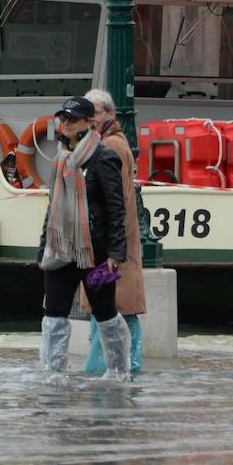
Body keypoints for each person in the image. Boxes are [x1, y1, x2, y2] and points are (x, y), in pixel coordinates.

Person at [37, 96, 133, 380]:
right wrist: (43, 247)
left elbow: (117, 209)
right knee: (53, 313)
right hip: (61, 250)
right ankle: (53, 374)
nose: (65, 123)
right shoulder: (60, 159)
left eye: (72, 119)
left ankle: (118, 372)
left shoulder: (104, 157)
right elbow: (52, 207)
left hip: (97, 252)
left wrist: (117, 254)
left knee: (104, 314)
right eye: (62, 118)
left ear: (88, 123)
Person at [81, 89, 146, 375]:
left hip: (111, 247)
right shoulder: (111, 143)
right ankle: (123, 367)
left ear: (110, 114)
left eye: (95, 112)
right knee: (113, 307)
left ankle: (104, 370)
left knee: (110, 308)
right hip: (114, 244)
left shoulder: (110, 147)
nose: (90, 119)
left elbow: (113, 201)